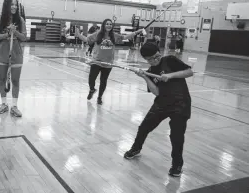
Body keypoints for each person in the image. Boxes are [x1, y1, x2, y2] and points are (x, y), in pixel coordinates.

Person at [124, 42, 193, 177]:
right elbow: (156, 92)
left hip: (181, 104)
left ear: (159, 52)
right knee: (144, 127)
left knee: (176, 136)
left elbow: (189, 72)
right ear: (145, 59)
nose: (155, 60)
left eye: (157, 56)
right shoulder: (150, 72)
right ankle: (136, 149)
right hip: (161, 103)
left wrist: (170, 75)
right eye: (151, 59)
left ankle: (177, 164)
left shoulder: (170, 60)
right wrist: (144, 76)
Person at [75, 19, 142, 105]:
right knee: (91, 79)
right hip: (97, 61)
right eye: (107, 24)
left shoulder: (114, 35)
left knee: (103, 81)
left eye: (110, 24)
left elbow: (125, 37)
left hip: (108, 63)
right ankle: (92, 90)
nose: (109, 25)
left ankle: (99, 97)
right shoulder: (98, 34)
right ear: (104, 25)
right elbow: (87, 39)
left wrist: (136, 32)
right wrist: (78, 35)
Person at [0, 0, 27, 117]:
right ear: (7, 5)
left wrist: (15, 32)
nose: (14, 7)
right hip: (2, 54)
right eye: (12, 4)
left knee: (15, 80)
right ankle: (4, 104)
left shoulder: (21, 20)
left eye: (15, 5)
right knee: (2, 79)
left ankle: (14, 106)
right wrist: (7, 34)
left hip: (16, 54)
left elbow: (24, 38)